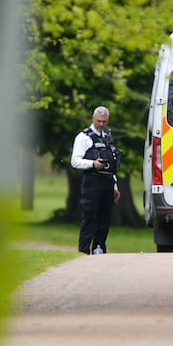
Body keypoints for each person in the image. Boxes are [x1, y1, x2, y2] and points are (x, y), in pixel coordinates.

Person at [71, 106, 122, 254]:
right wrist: (93, 164)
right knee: (90, 216)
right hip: (92, 181)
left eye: (104, 122)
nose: (101, 124)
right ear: (93, 119)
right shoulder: (83, 137)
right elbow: (75, 161)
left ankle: (99, 247)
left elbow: (111, 164)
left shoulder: (107, 137)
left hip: (108, 181)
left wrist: (115, 186)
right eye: (99, 121)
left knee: (105, 217)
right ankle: (84, 249)